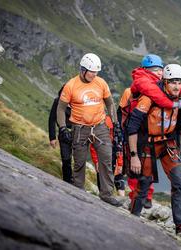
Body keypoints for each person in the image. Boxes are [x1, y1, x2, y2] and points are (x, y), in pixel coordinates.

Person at [127, 63, 181, 234]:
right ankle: (133, 217)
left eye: (179, 82)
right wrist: (134, 155)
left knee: (178, 183)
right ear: (164, 82)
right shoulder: (149, 98)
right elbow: (132, 127)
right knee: (144, 183)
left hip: (168, 143)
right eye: (173, 82)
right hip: (147, 143)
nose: (177, 86)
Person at [57, 53, 122, 207]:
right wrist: (62, 128)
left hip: (100, 127)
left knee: (106, 159)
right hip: (79, 128)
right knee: (79, 162)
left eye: (96, 72)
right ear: (83, 69)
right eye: (92, 72)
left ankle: (106, 194)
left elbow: (110, 104)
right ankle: (78, 189)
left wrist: (115, 123)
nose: (94, 75)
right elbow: (60, 109)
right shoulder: (71, 85)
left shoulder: (101, 83)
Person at [90, 115, 125, 196]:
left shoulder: (116, 133)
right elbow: (93, 146)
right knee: (102, 177)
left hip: (113, 155)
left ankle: (119, 198)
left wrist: (120, 164)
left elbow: (120, 149)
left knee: (118, 177)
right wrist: (96, 162)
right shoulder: (98, 131)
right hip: (102, 154)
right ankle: (105, 196)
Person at [48, 85, 73, 183]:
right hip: (63, 133)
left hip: (78, 133)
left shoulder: (78, 102)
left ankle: (78, 182)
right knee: (66, 159)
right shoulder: (57, 101)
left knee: (79, 160)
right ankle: (67, 181)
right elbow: (52, 119)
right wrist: (52, 137)